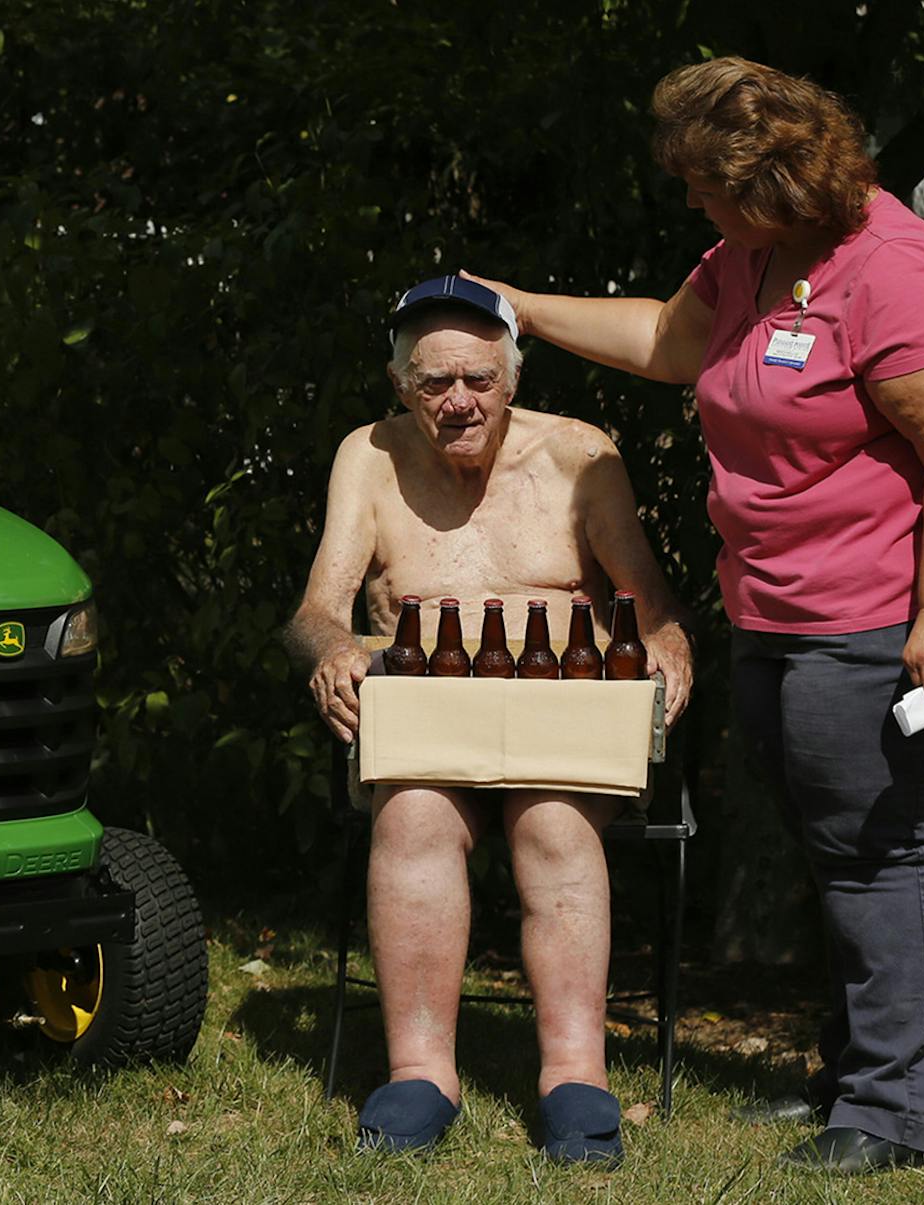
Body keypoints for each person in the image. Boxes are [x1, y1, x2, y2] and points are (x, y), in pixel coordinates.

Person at [465, 57, 924, 1175]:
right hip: (782, 607)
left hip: (897, 613)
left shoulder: (897, 270)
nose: (689, 201)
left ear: (772, 178)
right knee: (837, 842)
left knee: (885, 849)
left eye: (702, 182)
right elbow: (671, 346)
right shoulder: (753, 254)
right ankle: (847, 1079)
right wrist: (517, 305)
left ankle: (888, 1113)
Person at [286, 275, 694, 1162]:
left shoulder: (582, 454)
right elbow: (318, 608)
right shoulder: (369, 456)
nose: (458, 401)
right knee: (414, 817)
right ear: (402, 385)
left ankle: (575, 1076)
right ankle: (420, 1072)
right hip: (425, 722)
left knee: (552, 825)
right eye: (434, 383)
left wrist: (671, 651)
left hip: (564, 725)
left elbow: (652, 605)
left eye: (476, 379)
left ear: (512, 378)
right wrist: (330, 652)